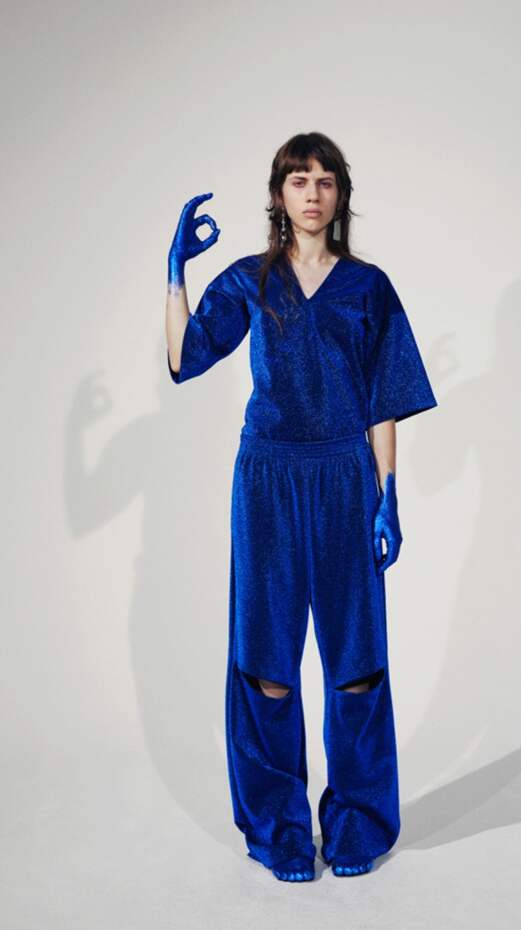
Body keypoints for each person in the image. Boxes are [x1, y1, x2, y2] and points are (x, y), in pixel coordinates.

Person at [165, 132, 438, 882]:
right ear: (278, 195)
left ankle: (357, 822)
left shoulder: (368, 286)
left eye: (324, 180)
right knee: (268, 665)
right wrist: (175, 275)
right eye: (298, 180)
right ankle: (279, 827)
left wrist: (388, 495)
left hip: (346, 477)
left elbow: (384, 397)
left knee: (356, 664)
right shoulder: (251, 280)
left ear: (340, 194)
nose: (312, 193)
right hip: (267, 481)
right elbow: (185, 357)